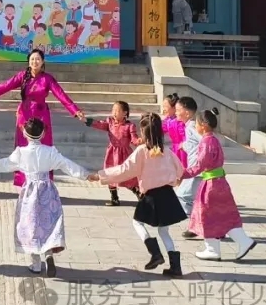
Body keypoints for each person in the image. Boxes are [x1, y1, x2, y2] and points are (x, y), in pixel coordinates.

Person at [0, 117, 97, 277]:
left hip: (30, 192)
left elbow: (5, 164)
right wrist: (86, 175)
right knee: (48, 224)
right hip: (47, 190)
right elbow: (67, 164)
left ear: (24, 133)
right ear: (43, 134)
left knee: (30, 226)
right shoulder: (50, 152)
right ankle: (48, 255)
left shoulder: (21, 153)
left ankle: (36, 264)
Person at [0, 49, 85, 186]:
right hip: (24, 116)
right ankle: (23, 181)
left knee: (44, 147)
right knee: (23, 148)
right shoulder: (22, 76)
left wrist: (75, 110)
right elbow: (4, 86)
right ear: (28, 62)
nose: (35, 62)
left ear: (43, 61)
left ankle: (44, 181)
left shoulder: (47, 79)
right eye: (32, 59)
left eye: (38, 59)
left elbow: (61, 95)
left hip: (42, 116)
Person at [97, 113, 186, 277]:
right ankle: (175, 266)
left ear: (143, 132)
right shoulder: (166, 151)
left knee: (137, 222)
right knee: (164, 231)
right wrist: (174, 179)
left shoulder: (142, 151)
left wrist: (101, 175)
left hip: (151, 196)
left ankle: (155, 253)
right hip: (168, 195)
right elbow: (180, 170)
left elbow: (124, 170)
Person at [185, 108, 256, 262]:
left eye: (196, 124)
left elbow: (201, 164)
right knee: (223, 215)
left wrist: (183, 174)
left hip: (211, 186)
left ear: (203, 125)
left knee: (207, 215)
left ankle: (213, 249)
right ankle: (243, 241)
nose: (195, 127)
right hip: (219, 182)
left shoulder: (206, 142)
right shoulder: (214, 139)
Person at [85, 100, 140, 206]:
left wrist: (139, 141)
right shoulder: (109, 122)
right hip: (112, 153)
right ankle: (114, 198)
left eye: (117, 110)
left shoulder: (130, 126)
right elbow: (99, 124)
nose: (114, 113)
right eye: (113, 110)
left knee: (128, 175)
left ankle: (138, 193)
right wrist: (86, 120)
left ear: (125, 113)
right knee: (109, 174)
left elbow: (134, 139)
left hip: (125, 154)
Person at [174, 96, 202, 237]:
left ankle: (198, 225)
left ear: (187, 112)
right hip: (195, 169)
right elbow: (194, 143)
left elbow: (205, 140)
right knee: (195, 199)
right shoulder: (189, 126)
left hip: (197, 169)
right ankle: (197, 226)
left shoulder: (192, 126)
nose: (176, 112)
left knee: (182, 195)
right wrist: (184, 145)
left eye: (178, 110)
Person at [160, 93, 187, 168]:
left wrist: (184, 144)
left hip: (182, 149)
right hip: (174, 147)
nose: (163, 109)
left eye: (166, 106)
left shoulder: (180, 121)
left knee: (182, 167)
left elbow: (185, 135)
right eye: (163, 106)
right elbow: (161, 129)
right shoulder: (168, 120)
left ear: (174, 108)